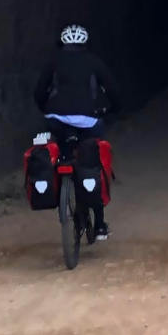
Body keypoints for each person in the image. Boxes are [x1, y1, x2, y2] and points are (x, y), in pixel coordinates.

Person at [34, 24, 122, 240]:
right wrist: (112, 110)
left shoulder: (53, 62)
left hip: (56, 120)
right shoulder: (94, 62)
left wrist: (48, 110)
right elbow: (112, 90)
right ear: (85, 44)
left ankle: (59, 186)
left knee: (60, 154)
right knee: (94, 162)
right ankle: (100, 224)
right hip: (88, 121)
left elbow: (39, 92)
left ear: (62, 43)